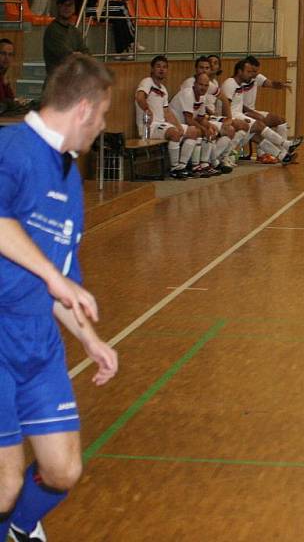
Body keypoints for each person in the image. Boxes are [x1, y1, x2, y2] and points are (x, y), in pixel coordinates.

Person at [0, 54, 119, 542]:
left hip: (38, 341)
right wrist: (53, 277)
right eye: (106, 114)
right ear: (86, 109)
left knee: (63, 470)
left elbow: (64, 279)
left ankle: (20, 531)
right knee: (5, 483)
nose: (104, 125)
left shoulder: (69, 176)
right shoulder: (11, 148)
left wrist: (91, 341)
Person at [134, 55, 202, 179]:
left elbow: (167, 112)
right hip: (149, 127)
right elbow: (139, 97)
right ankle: (174, 168)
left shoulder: (164, 89)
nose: (161, 69)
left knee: (194, 131)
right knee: (175, 133)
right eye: (158, 66)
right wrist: (146, 109)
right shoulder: (147, 82)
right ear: (152, 69)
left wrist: (177, 125)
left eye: (164, 67)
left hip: (162, 125)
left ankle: (183, 166)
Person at [219, 58, 294, 165]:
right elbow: (225, 106)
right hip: (232, 116)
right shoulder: (230, 83)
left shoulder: (239, 84)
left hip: (238, 114)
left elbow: (271, 83)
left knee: (256, 136)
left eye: (253, 72)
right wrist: (230, 120)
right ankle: (286, 144)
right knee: (258, 125)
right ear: (240, 71)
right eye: (248, 72)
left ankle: (283, 156)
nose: (252, 75)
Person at [169, 72, 232, 175]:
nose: (203, 88)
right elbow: (189, 119)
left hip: (185, 125)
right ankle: (185, 166)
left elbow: (200, 118)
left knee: (211, 130)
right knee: (198, 131)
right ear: (194, 84)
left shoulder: (202, 96)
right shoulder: (188, 94)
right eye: (200, 84)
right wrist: (204, 129)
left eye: (206, 85)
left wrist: (209, 126)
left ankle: (205, 164)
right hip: (175, 124)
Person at [42, 0, 90, 76]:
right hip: (56, 82)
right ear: (58, 6)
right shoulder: (52, 30)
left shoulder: (75, 31)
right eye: (63, 4)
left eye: (70, 5)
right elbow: (66, 56)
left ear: (74, 8)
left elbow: (86, 52)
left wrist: (80, 55)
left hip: (71, 82)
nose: (67, 8)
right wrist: (79, 56)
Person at [0, 39, 15, 108]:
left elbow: (11, 99)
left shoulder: (3, 74)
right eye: (3, 53)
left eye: (10, 54)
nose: (7, 58)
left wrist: (5, 84)